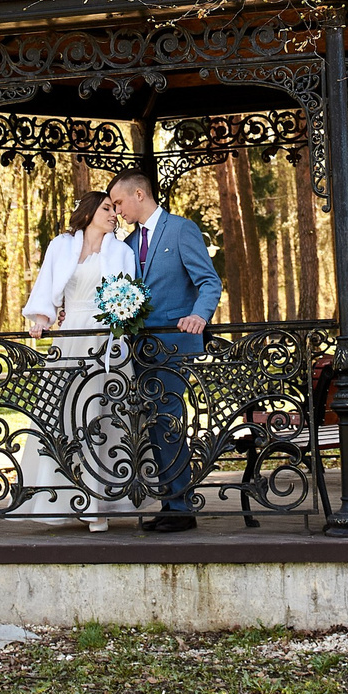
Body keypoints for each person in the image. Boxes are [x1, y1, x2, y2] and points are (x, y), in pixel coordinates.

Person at [107, 169, 222, 533]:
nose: (118, 210)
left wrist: (199, 317)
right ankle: (171, 503)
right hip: (138, 348)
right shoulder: (125, 245)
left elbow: (209, 281)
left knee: (169, 423)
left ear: (139, 194)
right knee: (154, 426)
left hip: (173, 345)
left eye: (120, 202)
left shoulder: (181, 229)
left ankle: (180, 507)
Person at [19, 190, 142, 529]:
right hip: (71, 336)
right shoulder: (61, 245)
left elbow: (130, 290)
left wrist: (123, 315)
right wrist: (41, 319)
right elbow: (46, 285)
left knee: (104, 416)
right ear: (88, 212)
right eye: (106, 208)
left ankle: (101, 505)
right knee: (66, 415)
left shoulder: (121, 251)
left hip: (109, 341)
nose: (113, 214)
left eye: (115, 209)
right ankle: (62, 499)